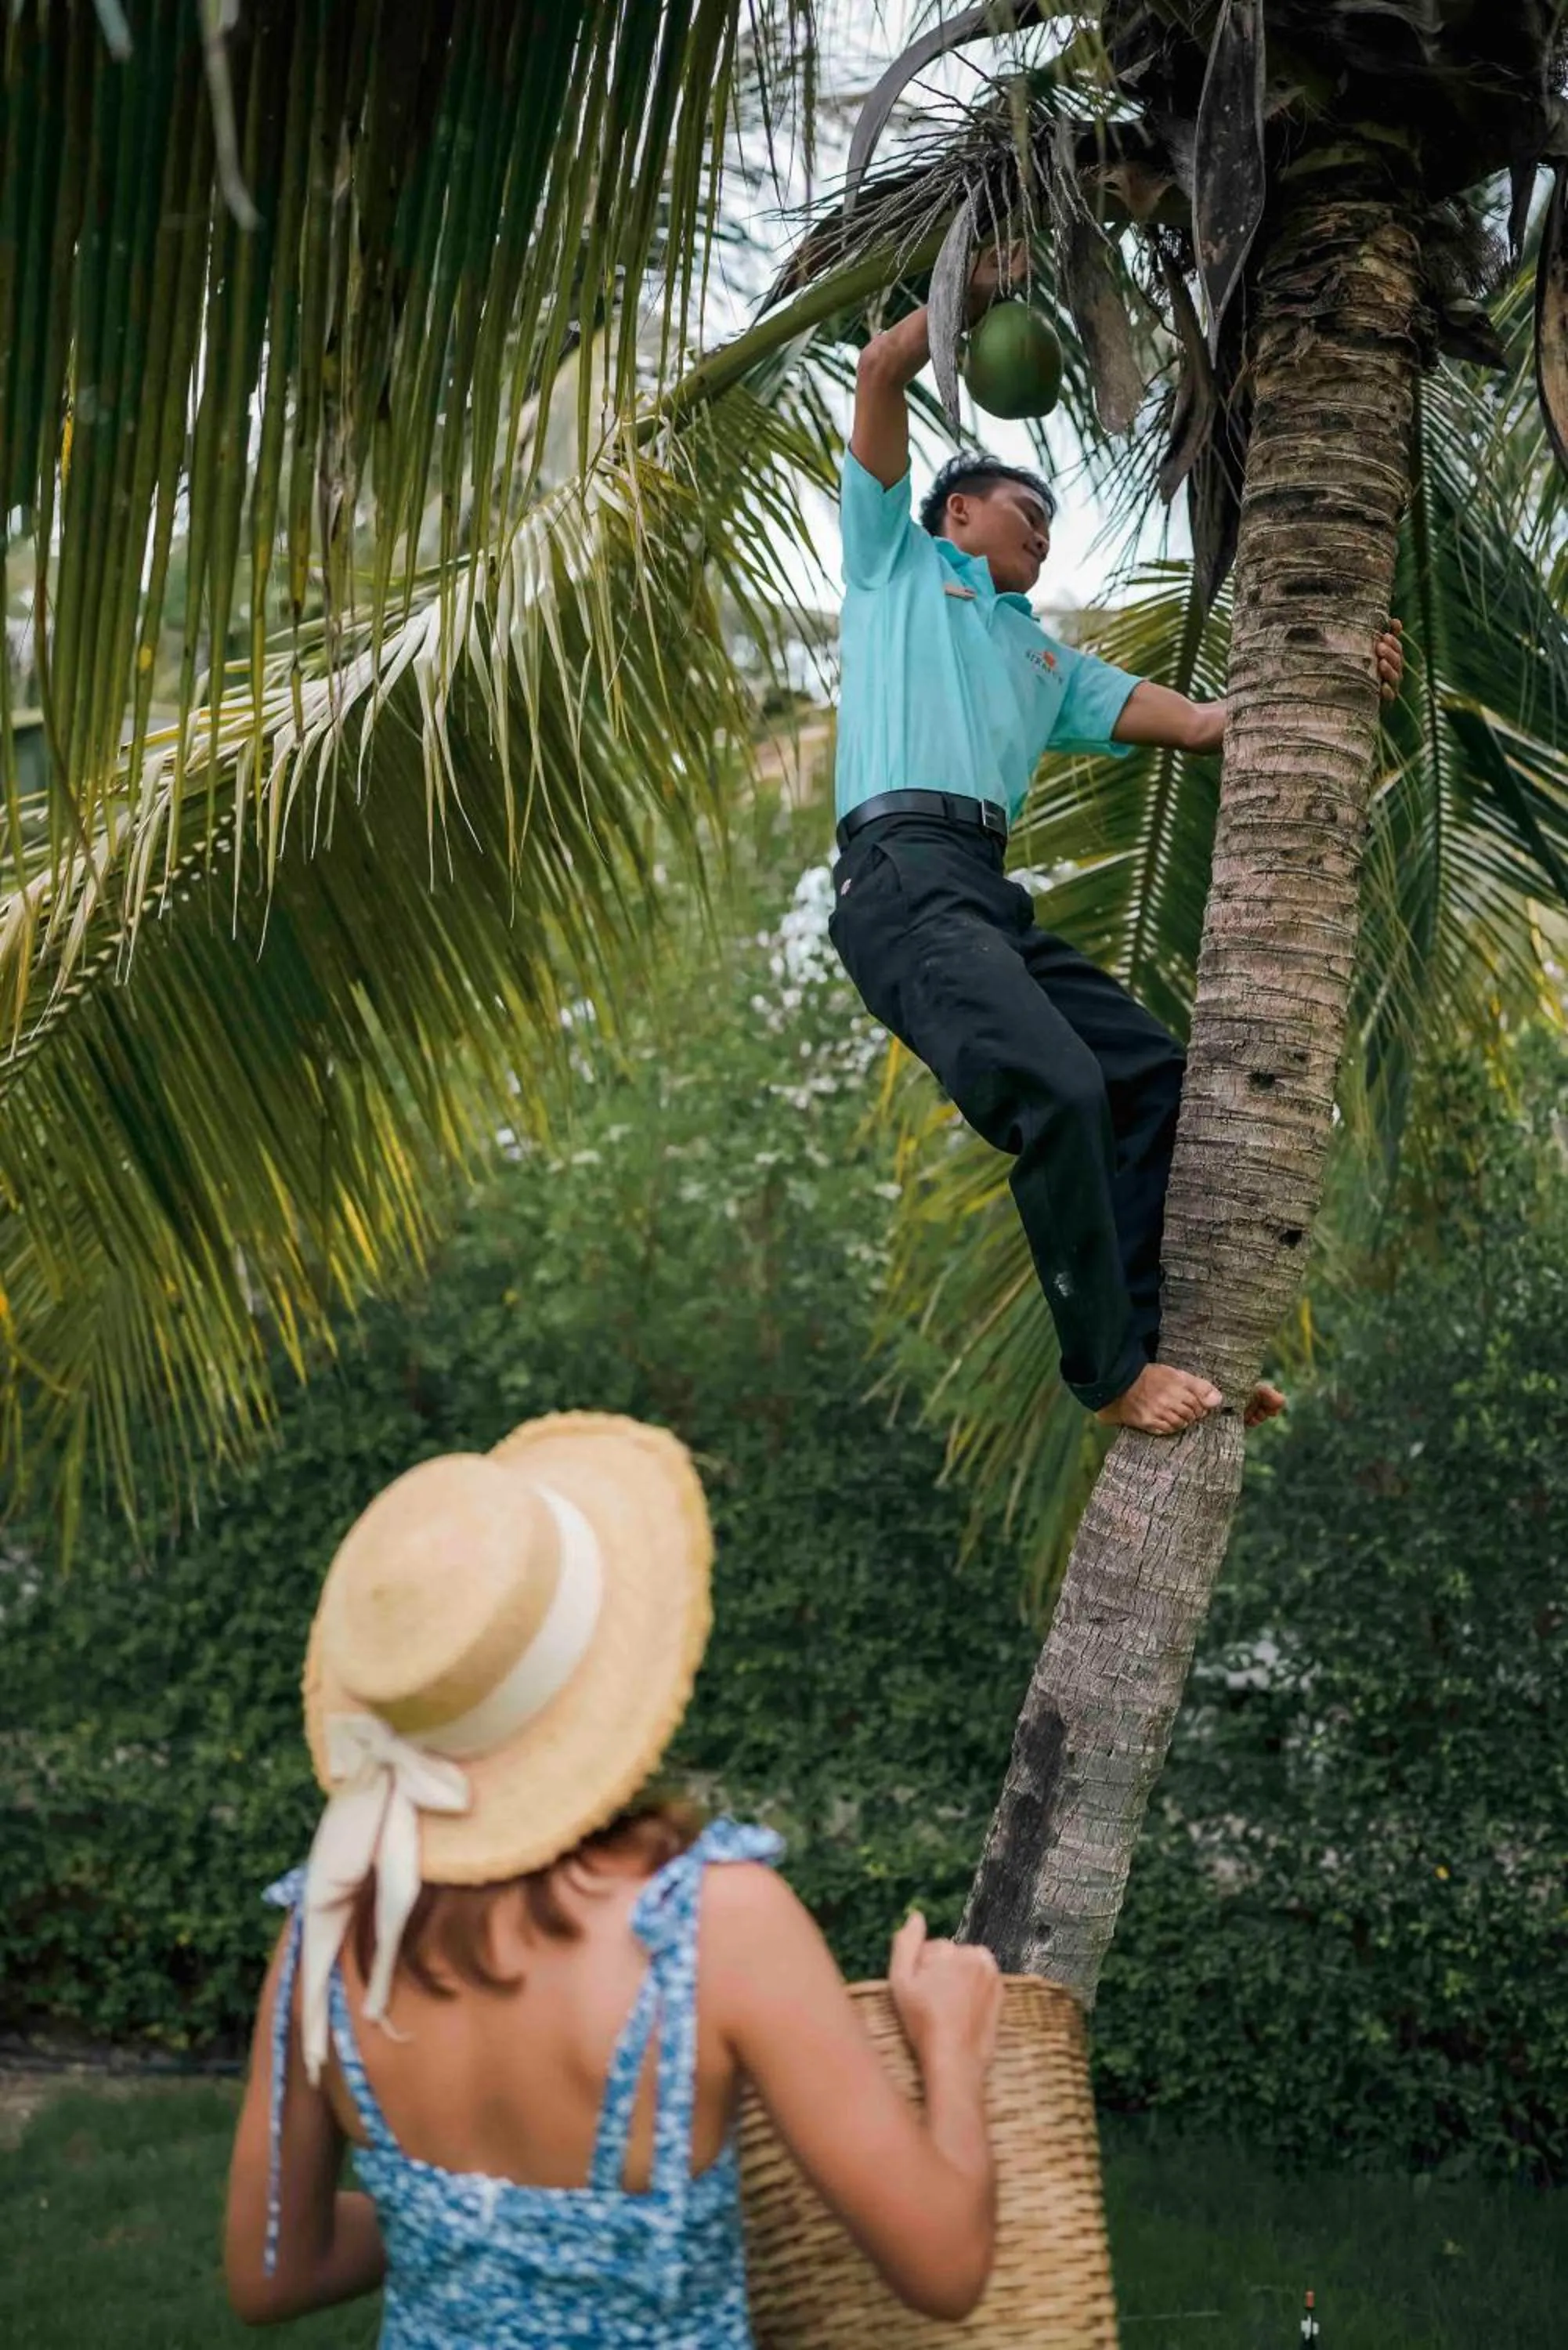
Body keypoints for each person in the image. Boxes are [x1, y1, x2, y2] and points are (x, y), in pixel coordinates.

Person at [224, 1411, 1003, 2345]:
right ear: (600, 1682)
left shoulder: (332, 1926)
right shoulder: (711, 1924)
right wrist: (951, 2043)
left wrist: (461, 2227)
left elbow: (272, 2270)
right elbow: (947, 2266)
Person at [830, 250, 1406, 1437]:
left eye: (1050, 522)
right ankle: (1105, 1373)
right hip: (896, 880)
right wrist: (970, 293)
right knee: (1055, 1085)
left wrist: (1341, 672)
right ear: (955, 514)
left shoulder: (1045, 658)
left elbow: (1207, 725)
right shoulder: (892, 567)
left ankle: (1168, 1347)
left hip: (980, 893)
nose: (1041, 531)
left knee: (1150, 1081)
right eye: (1020, 511)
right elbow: (881, 368)